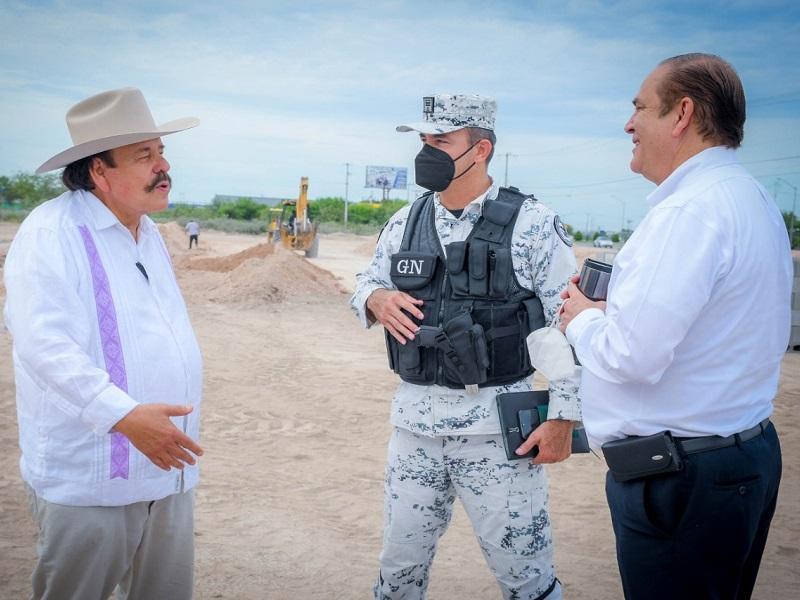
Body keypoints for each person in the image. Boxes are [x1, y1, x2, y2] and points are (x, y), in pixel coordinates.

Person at [560, 54, 792, 599]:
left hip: (681, 481)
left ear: (682, 113)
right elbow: (720, 324)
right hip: (737, 459)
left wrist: (581, 320)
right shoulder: (751, 198)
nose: (629, 124)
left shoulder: (687, 212)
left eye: (640, 107)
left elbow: (632, 357)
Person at [352, 94, 580, 599]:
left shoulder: (533, 224)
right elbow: (363, 282)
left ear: (480, 150)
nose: (427, 151)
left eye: (441, 140)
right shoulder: (405, 221)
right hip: (413, 432)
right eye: (424, 140)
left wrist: (564, 417)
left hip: (498, 437)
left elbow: (569, 323)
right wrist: (377, 298)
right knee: (397, 577)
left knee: (528, 581)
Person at [3, 87, 204, 600]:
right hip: (92, 477)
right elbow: (43, 346)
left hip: (166, 469)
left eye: (161, 151)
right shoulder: (52, 233)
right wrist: (125, 416)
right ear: (99, 171)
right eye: (145, 156)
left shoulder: (148, 232)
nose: (163, 166)